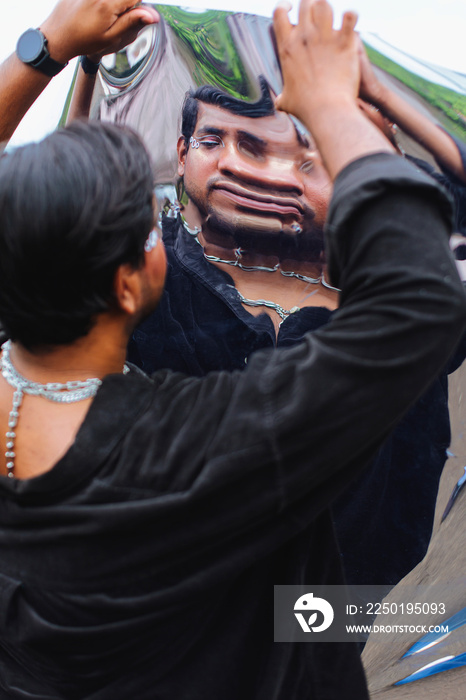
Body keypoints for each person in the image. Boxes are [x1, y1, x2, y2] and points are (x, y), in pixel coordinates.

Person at [0, 2, 464, 698]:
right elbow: (420, 301)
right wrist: (341, 111)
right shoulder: (207, 439)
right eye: (148, 227)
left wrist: (45, 50)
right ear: (130, 285)